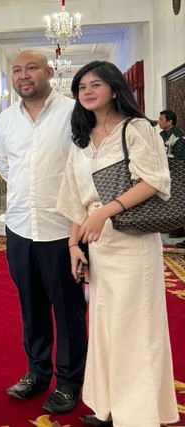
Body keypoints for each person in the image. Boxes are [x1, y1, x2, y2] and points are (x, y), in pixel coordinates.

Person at [57, 60, 179, 427]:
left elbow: (155, 180)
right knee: (105, 324)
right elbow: (74, 200)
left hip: (133, 242)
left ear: (114, 88)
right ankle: (107, 406)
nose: (88, 91)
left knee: (135, 326)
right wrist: (73, 246)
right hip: (98, 246)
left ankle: (137, 415)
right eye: (81, 87)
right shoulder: (81, 140)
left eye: (96, 84)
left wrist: (104, 213)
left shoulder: (137, 128)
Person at [0, 50, 87, 414]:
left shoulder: (73, 111)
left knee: (67, 310)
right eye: (17, 70)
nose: (23, 75)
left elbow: (85, 164)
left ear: (50, 72)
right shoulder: (5, 120)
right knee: (30, 308)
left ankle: (68, 382)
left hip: (62, 229)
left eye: (31, 68)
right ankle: (36, 372)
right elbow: (3, 163)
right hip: (18, 227)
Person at [157, 109, 185, 244]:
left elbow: (179, 157)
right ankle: (170, 226)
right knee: (167, 200)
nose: (159, 122)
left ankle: (179, 228)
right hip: (164, 172)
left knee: (178, 200)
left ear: (170, 121)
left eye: (161, 119)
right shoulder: (161, 135)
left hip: (177, 173)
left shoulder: (179, 137)